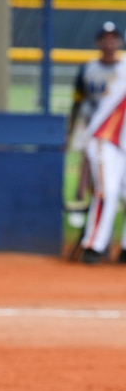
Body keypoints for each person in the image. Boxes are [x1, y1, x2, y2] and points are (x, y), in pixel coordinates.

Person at [66, 22, 122, 224]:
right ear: (98, 43)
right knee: (88, 166)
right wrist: (70, 131)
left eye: (113, 38)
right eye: (105, 39)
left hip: (116, 130)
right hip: (90, 125)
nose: (109, 43)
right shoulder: (88, 69)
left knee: (109, 175)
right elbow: (76, 102)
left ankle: (102, 209)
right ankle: (82, 201)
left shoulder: (123, 70)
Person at [79, 51, 126, 264]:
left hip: (122, 143)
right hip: (105, 137)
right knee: (108, 191)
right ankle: (94, 246)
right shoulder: (124, 67)